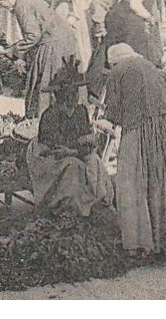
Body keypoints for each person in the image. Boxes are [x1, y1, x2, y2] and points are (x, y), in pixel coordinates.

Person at [94, 43, 166, 256]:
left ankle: (139, 242)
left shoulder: (118, 70)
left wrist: (102, 123)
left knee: (132, 180)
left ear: (113, 61)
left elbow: (113, 112)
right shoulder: (147, 64)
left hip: (143, 127)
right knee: (163, 180)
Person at [24, 59, 110, 217]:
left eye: (75, 93)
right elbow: (52, 148)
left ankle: (95, 201)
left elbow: (87, 140)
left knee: (94, 162)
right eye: (69, 94)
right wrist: (74, 149)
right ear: (59, 96)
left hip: (73, 152)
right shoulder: (50, 115)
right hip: (50, 159)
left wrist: (77, 149)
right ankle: (66, 208)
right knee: (73, 166)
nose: (74, 97)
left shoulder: (81, 112)